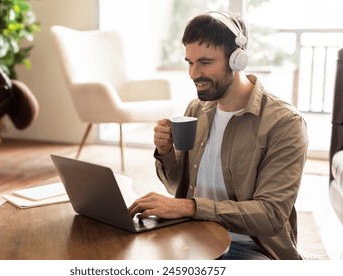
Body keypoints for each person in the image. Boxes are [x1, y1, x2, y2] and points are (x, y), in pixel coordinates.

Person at [128, 11, 308, 260]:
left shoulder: (284, 123)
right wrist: (165, 152)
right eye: (190, 62)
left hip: (249, 246)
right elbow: (177, 186)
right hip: (190, 234)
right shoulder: (195, 110)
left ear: (237, 60)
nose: (193, 74)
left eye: (205, 62)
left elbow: (271, 215)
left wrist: (189, 207)